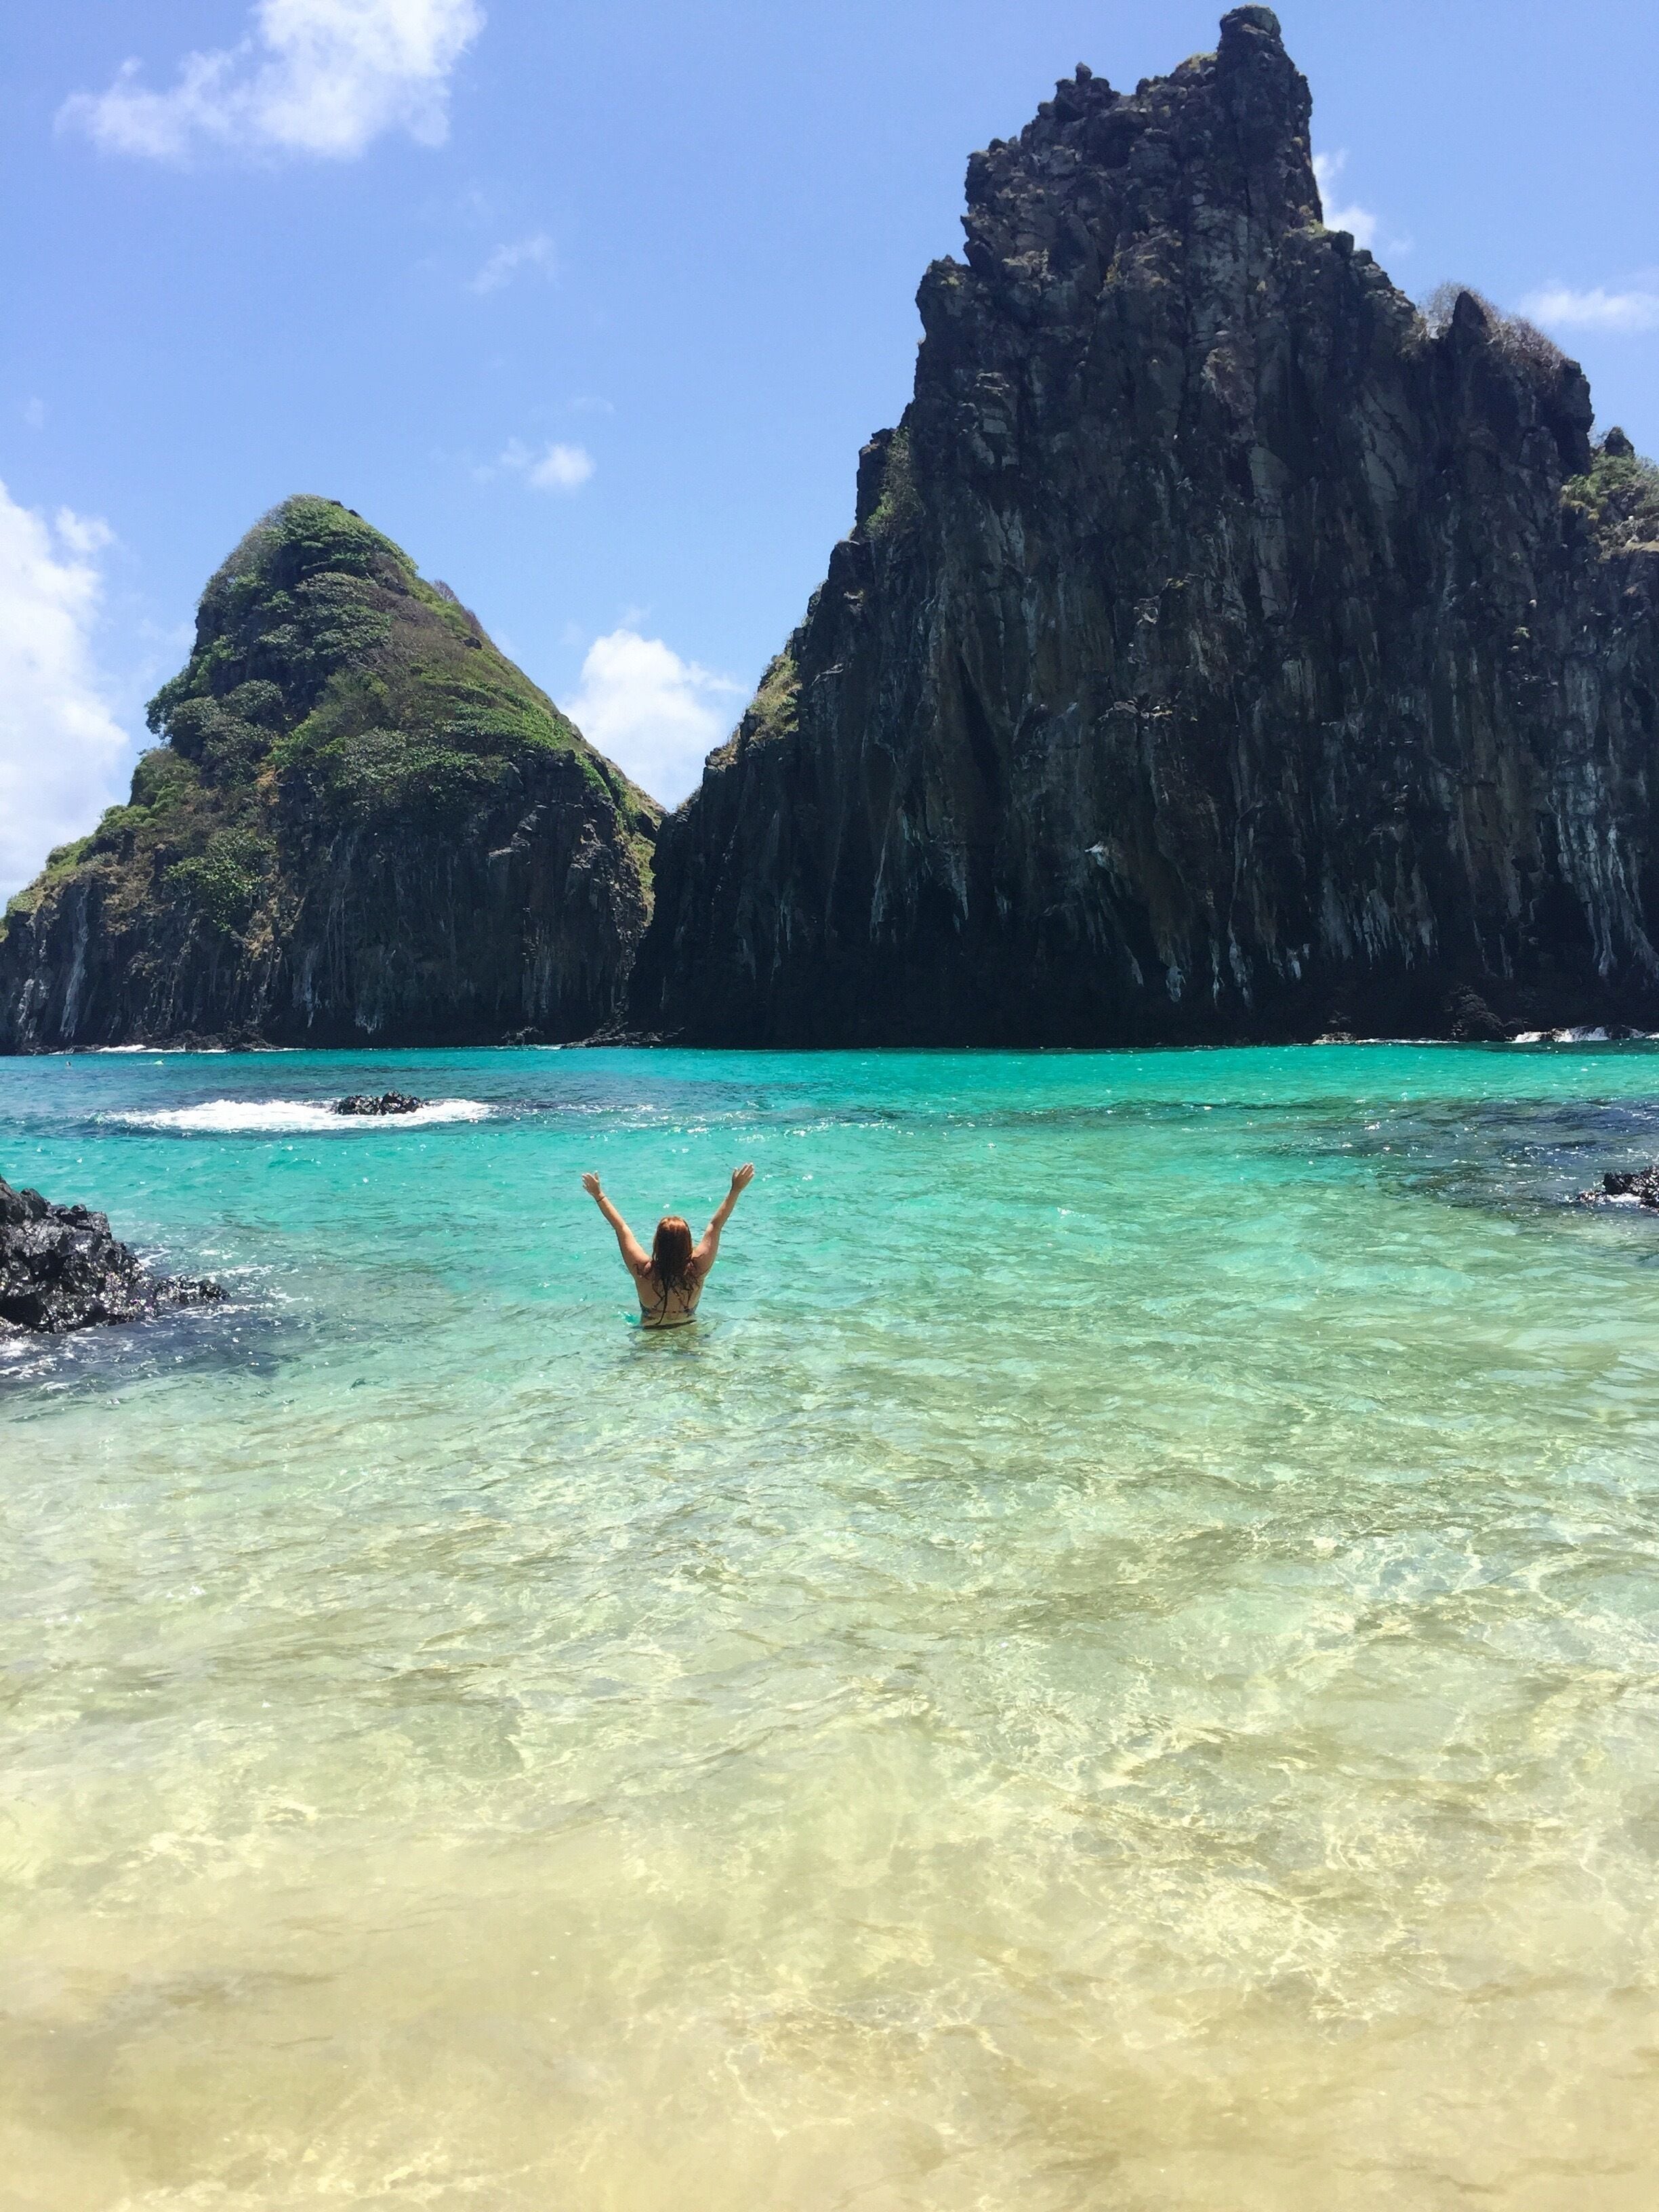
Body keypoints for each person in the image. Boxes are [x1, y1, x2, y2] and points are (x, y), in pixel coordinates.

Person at [582, 1164, 754, 1328]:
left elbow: (621, 1228)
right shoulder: (698, 1270)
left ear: (658, 1242)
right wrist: (735, 1190)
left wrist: (599, 1195)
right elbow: (715, 1226)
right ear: (687, 1242)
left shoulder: (643, 1271)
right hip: (688, 1333)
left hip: (650, 1335)